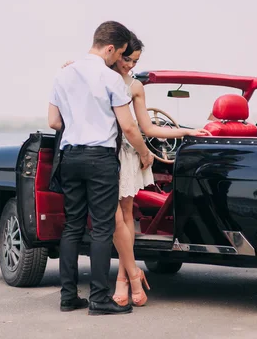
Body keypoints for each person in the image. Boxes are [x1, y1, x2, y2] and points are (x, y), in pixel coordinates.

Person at [62, 32, 211, 307]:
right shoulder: (95, 76)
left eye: (135, 60)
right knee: (113, 218)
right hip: (103, 153)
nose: (130, 65)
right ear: (116, 53)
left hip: (126, 153)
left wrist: (186, 131)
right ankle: (132, 274)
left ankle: (121, 276)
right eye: (127, 58)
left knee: (126, 215)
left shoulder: (135, 86)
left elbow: (147, 127)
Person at [48, 21, 154, 316]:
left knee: (72, 226)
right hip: (100, 159)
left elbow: (53, 122)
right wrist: (146, 154)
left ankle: (68, 297)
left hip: (69, 157)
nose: (118, 59)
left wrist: (79, 124)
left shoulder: (63, 74)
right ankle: (99, 299)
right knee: (103, 228)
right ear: (110, 48)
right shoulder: (110, 79)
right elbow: (130, 128)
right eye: (119, 53)